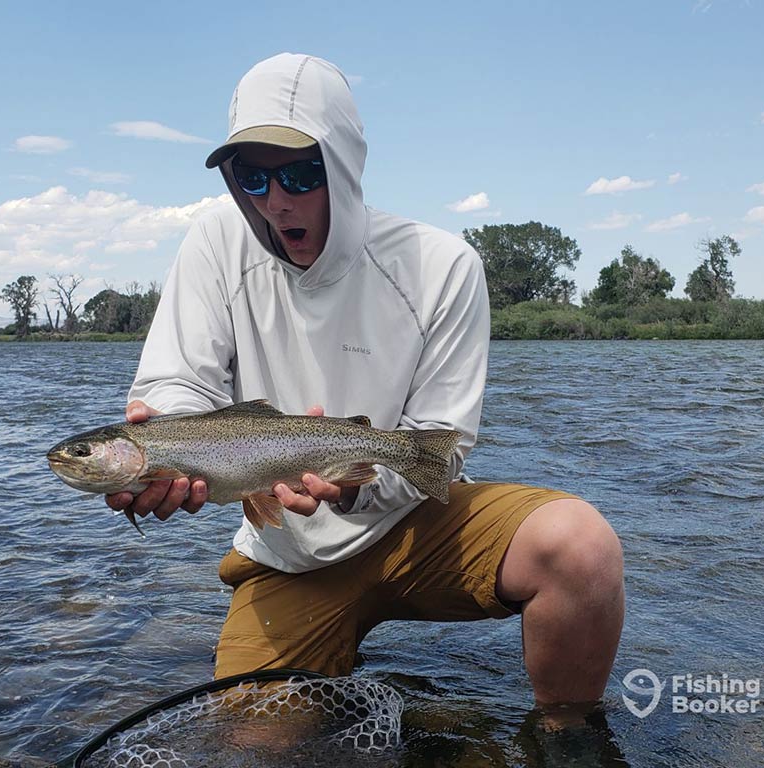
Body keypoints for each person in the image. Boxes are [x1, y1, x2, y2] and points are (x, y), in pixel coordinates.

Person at [106, 53, 624, 723]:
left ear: (344, 168)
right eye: (253, 178)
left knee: (580, 547)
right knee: (252, 745)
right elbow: (179, 381)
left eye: (300, 173)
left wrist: (359, 480)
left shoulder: (442, 267)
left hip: (416, 524)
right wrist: (167, 444)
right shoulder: (214, 242)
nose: (277, 201)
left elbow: (441, 446)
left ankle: (566, 737)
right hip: (288, 556)